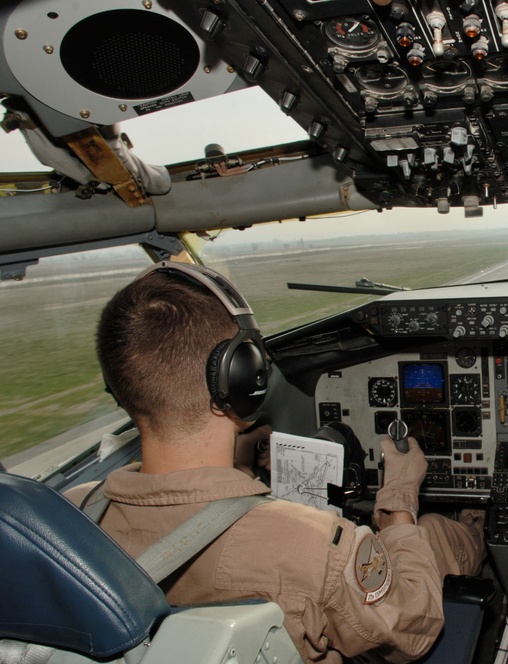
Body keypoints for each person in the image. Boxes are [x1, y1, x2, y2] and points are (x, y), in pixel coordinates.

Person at [64, 261, 485, 664]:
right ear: (243, 378)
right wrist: (399, 502)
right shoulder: (313, 547)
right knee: (430, 532)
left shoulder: (69, 515)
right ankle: (478, 529)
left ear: (118, 388)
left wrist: (241, 464)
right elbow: (413, 633)